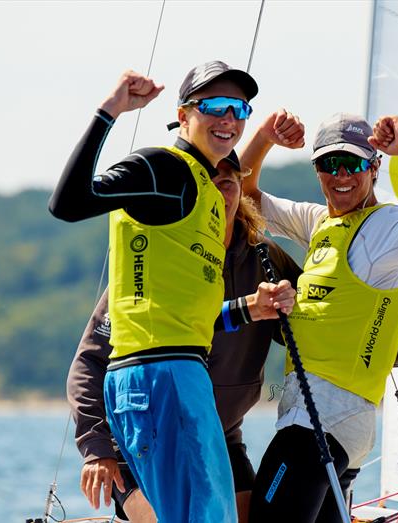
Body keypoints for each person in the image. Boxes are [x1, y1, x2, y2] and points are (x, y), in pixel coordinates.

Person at [49, 61, 264, 521]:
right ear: (184, 115)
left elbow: (192, 308)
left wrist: (249, 310)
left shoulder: (207, 189)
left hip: (178, 374)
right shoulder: (166, 168)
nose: (228, 119)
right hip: (161, 376)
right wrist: (111, 111)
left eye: (239, 109)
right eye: (213, 107)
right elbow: (67, 202)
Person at [240, 110, 398, 521]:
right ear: (317, 170)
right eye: (329, 163)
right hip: (331, 423)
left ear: (375, 167)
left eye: (354, 164)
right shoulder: (320, 222)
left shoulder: (388, 228)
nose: (341, 174)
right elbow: (239, 195)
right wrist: (263, 137)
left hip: (323, 420)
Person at [67, 154, 301, 522]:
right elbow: (88, 362)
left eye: (230, 179)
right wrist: (96, 448)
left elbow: (313, 325)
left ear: (242, 188)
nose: (221, 188)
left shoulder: (264, 258)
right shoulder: (162, 253)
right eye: (211, 179)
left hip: (220, 436)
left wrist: (393, 344)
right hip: (141, 440)